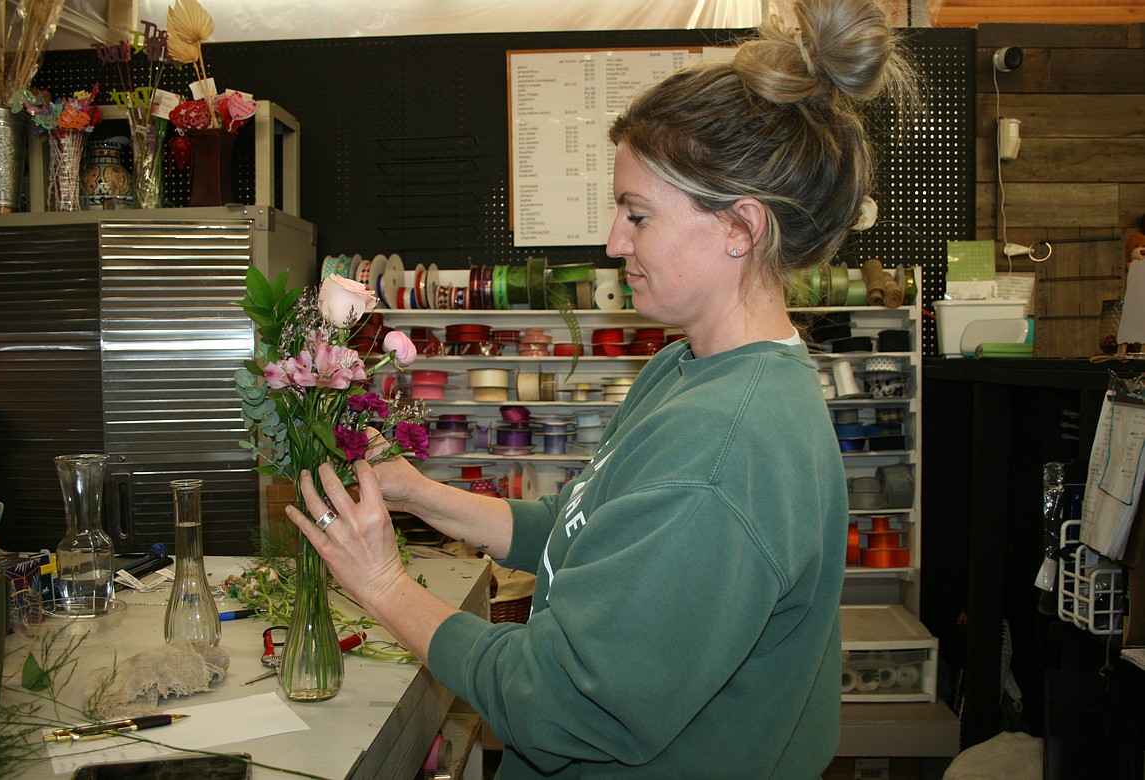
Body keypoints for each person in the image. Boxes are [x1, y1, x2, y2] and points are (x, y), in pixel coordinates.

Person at [287, 0, 920, 775]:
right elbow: (581, 526)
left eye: (638, 215)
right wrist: (424, 495)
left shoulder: (726, 451)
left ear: (740, 228)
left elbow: (557, 703)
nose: (614, 241)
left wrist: (383, 583)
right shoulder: (684, 368)